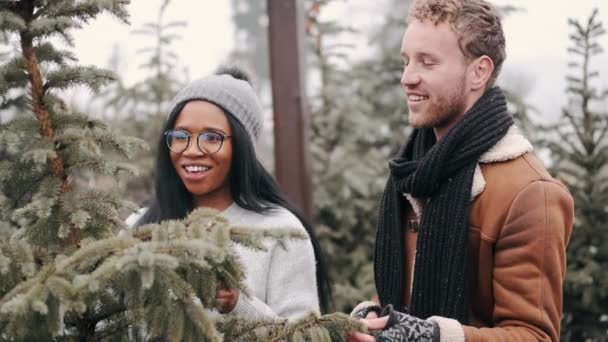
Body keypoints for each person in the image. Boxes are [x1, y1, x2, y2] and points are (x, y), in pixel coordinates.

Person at [348, 0, 574, 341]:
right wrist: (373, 317)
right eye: (406, 60)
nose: (407, 77)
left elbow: (533, 335)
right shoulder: (414, 173)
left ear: (479, 72)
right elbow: (407, 293)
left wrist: (435, 336)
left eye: (427, 62)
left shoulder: (530, 193)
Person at [127, 65, 330, 320]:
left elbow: (305, 335)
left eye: (212, 138)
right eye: (181, 136)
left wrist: (238, 304)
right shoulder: (137, 226)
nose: (191, 150)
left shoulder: (283, 233)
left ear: (243, 147)